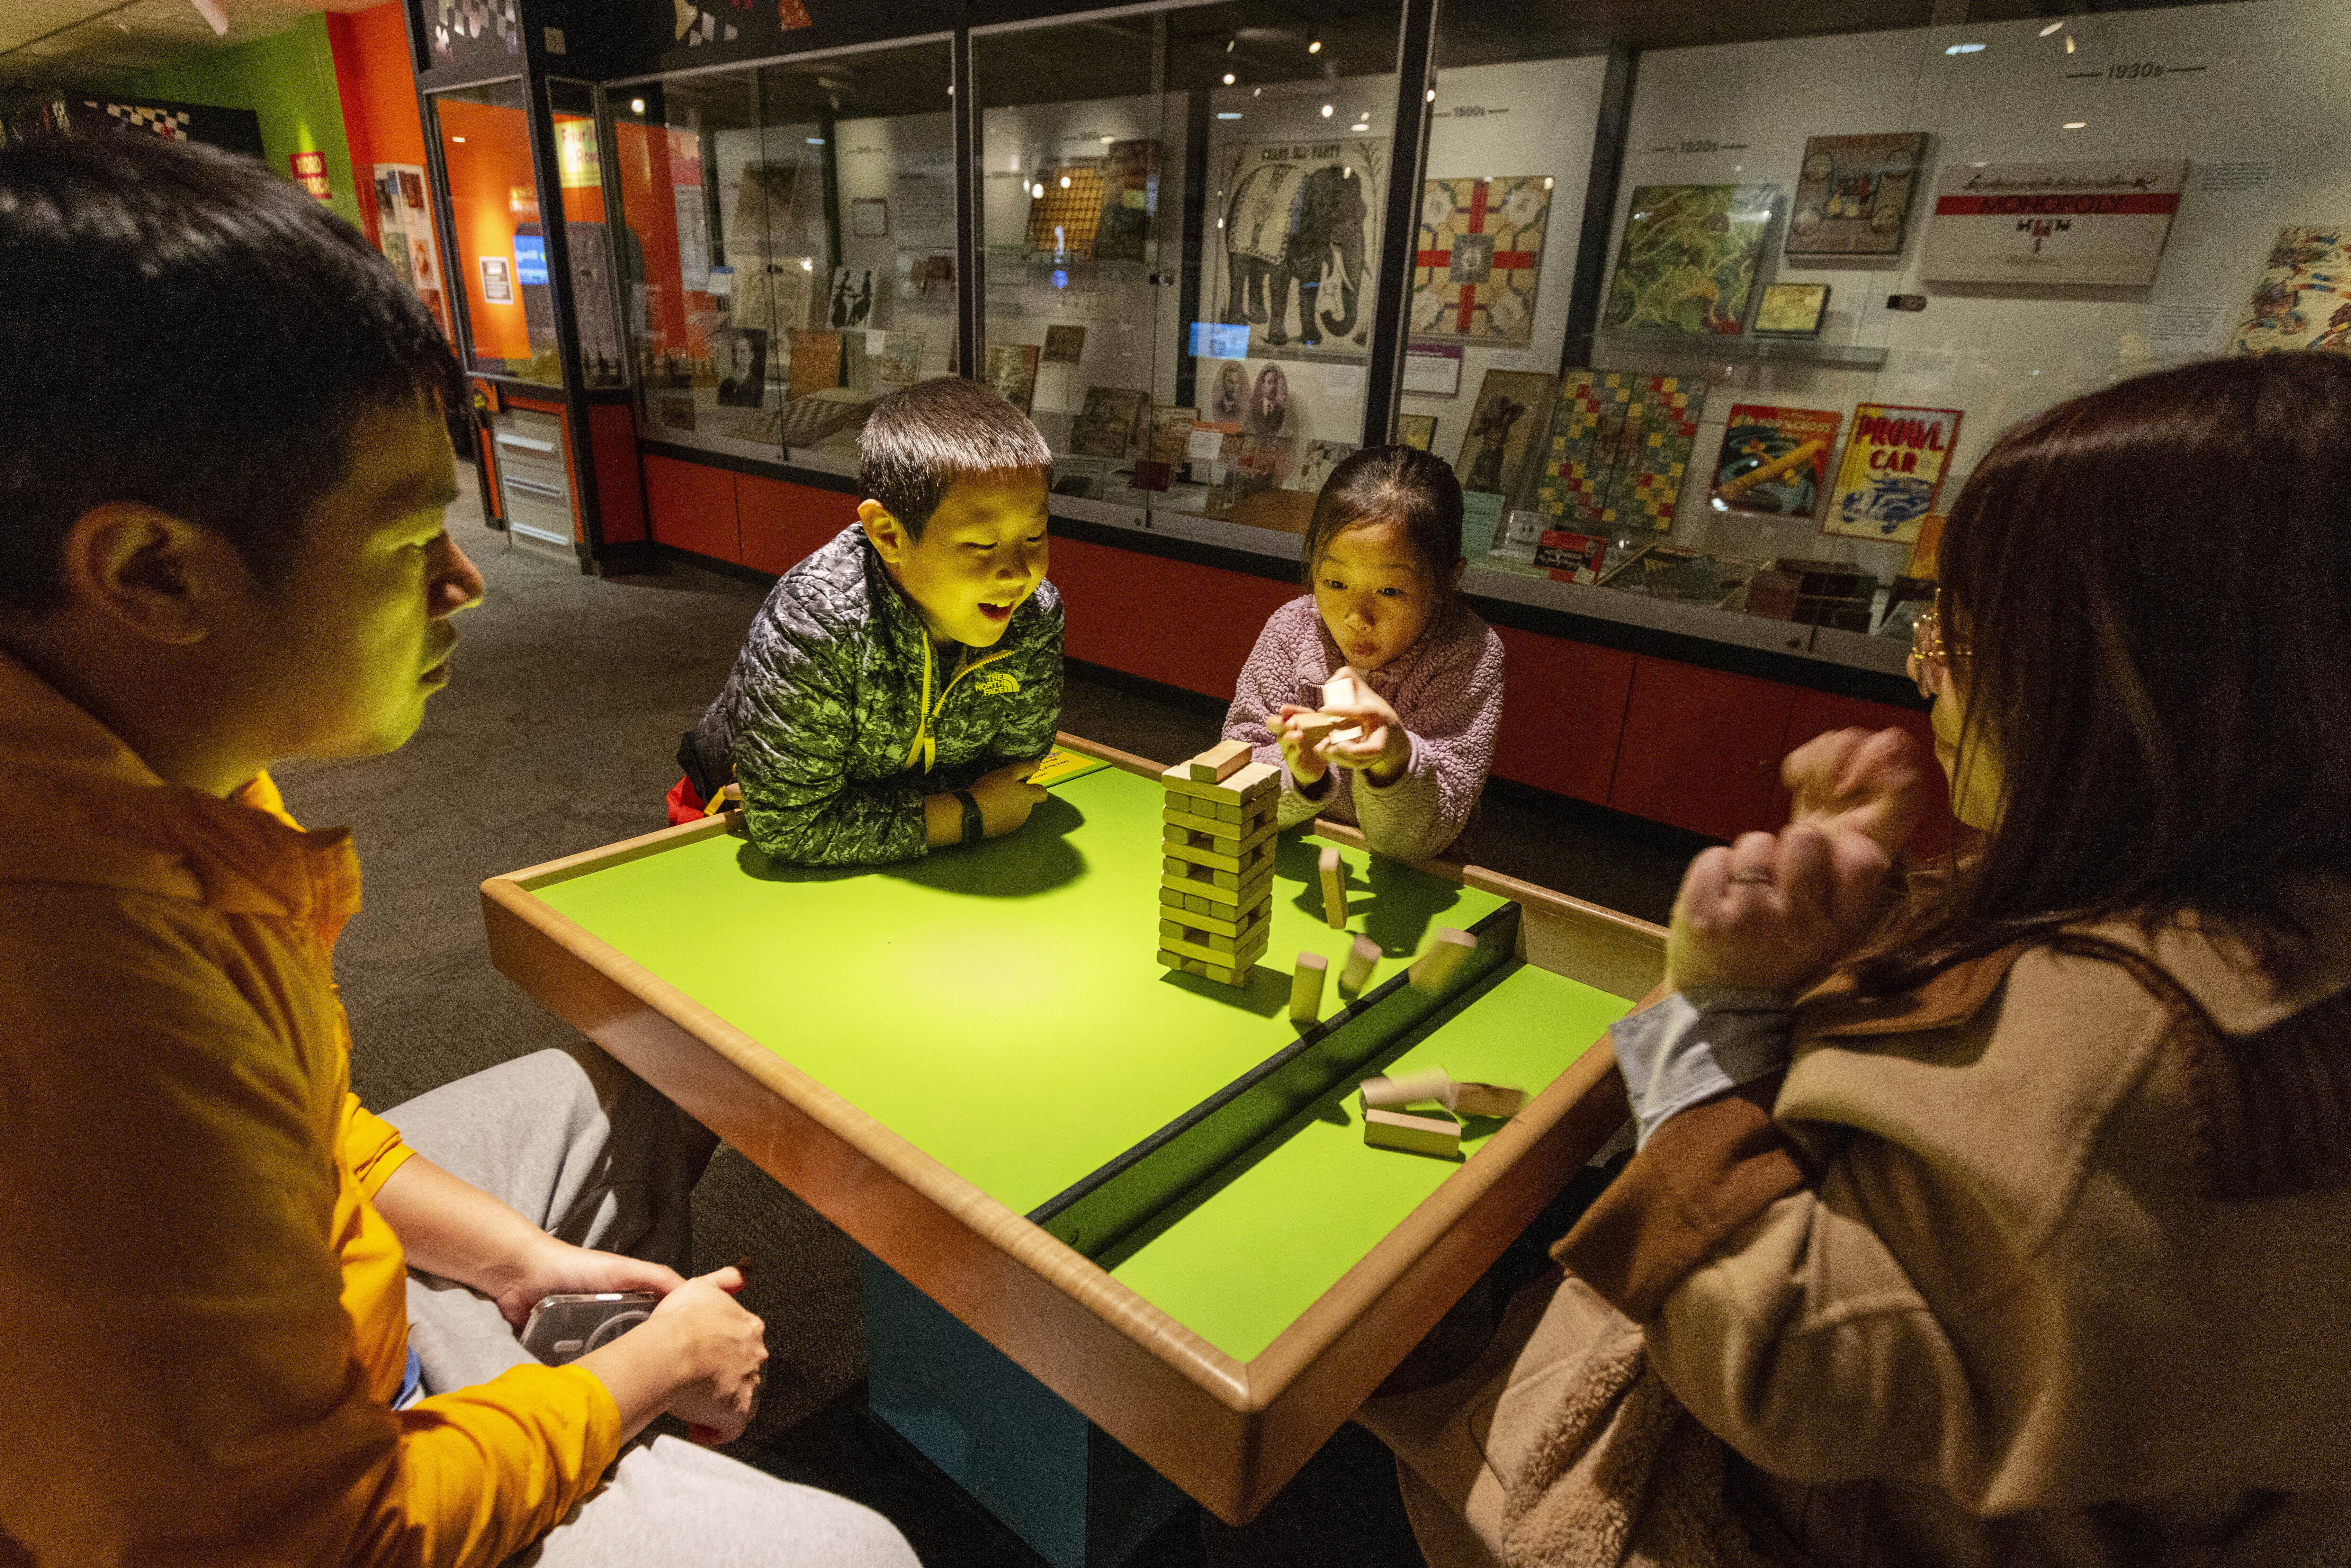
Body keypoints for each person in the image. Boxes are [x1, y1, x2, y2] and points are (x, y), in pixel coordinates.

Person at [0, 134, 915, 1565]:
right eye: (407, 531)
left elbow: (310, 1125)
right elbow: (310, 1537)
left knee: (634, 1075)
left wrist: (521, 1258)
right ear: (152, 573)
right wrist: (638, 1377)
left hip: (323, 1294)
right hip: (331, 1486)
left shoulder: (154, 763)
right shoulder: (92, 1011)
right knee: (864, 1555)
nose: (465, 582)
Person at [1359, 353, 2351, 1567]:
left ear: (2124, 688)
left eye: (1961, 642)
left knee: (1336, 1440)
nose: (1921, 677)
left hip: (1748, 1516)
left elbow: (1767, 1363)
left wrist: (1712, 1000)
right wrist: (1883, 915)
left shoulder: (2127, 1057)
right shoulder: (2268, 933)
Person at [672, 375, 1063, 864]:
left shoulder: (1035, 615)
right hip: (721, 832)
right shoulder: (817, 624)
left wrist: (854, 805)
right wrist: (969, 813)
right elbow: (791, 827)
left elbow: (1013, 774)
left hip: (906, 844)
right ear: (888, 534)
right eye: (983, 545)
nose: (1020, 574)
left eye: (1036, 537)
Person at [1223, 445, 1503, 863]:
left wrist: (1395, 759)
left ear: (1448, 581)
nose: (1357, 618)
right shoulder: (1292, 628)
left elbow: (1426, 836)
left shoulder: (1468, 654)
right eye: (1335, 583)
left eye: (1390, 591)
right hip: (1299, 854)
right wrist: (1301, 777)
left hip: (1420, 876)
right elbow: (1233, 775)